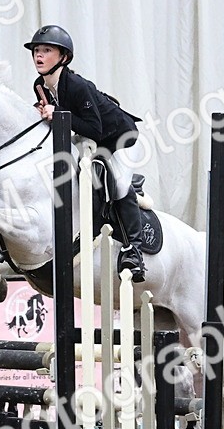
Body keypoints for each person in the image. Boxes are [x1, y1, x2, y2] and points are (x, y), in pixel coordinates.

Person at [25, 24, 147, 282]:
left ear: (64, 57)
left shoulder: (78, 86)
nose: (39, 55)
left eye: (47, 50)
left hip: (118, 135)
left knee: (117, 181)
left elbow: (95, 127)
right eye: (37, 50)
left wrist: (57, 114)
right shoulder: (41, 85)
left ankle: (134, 249)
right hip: (89, 137)